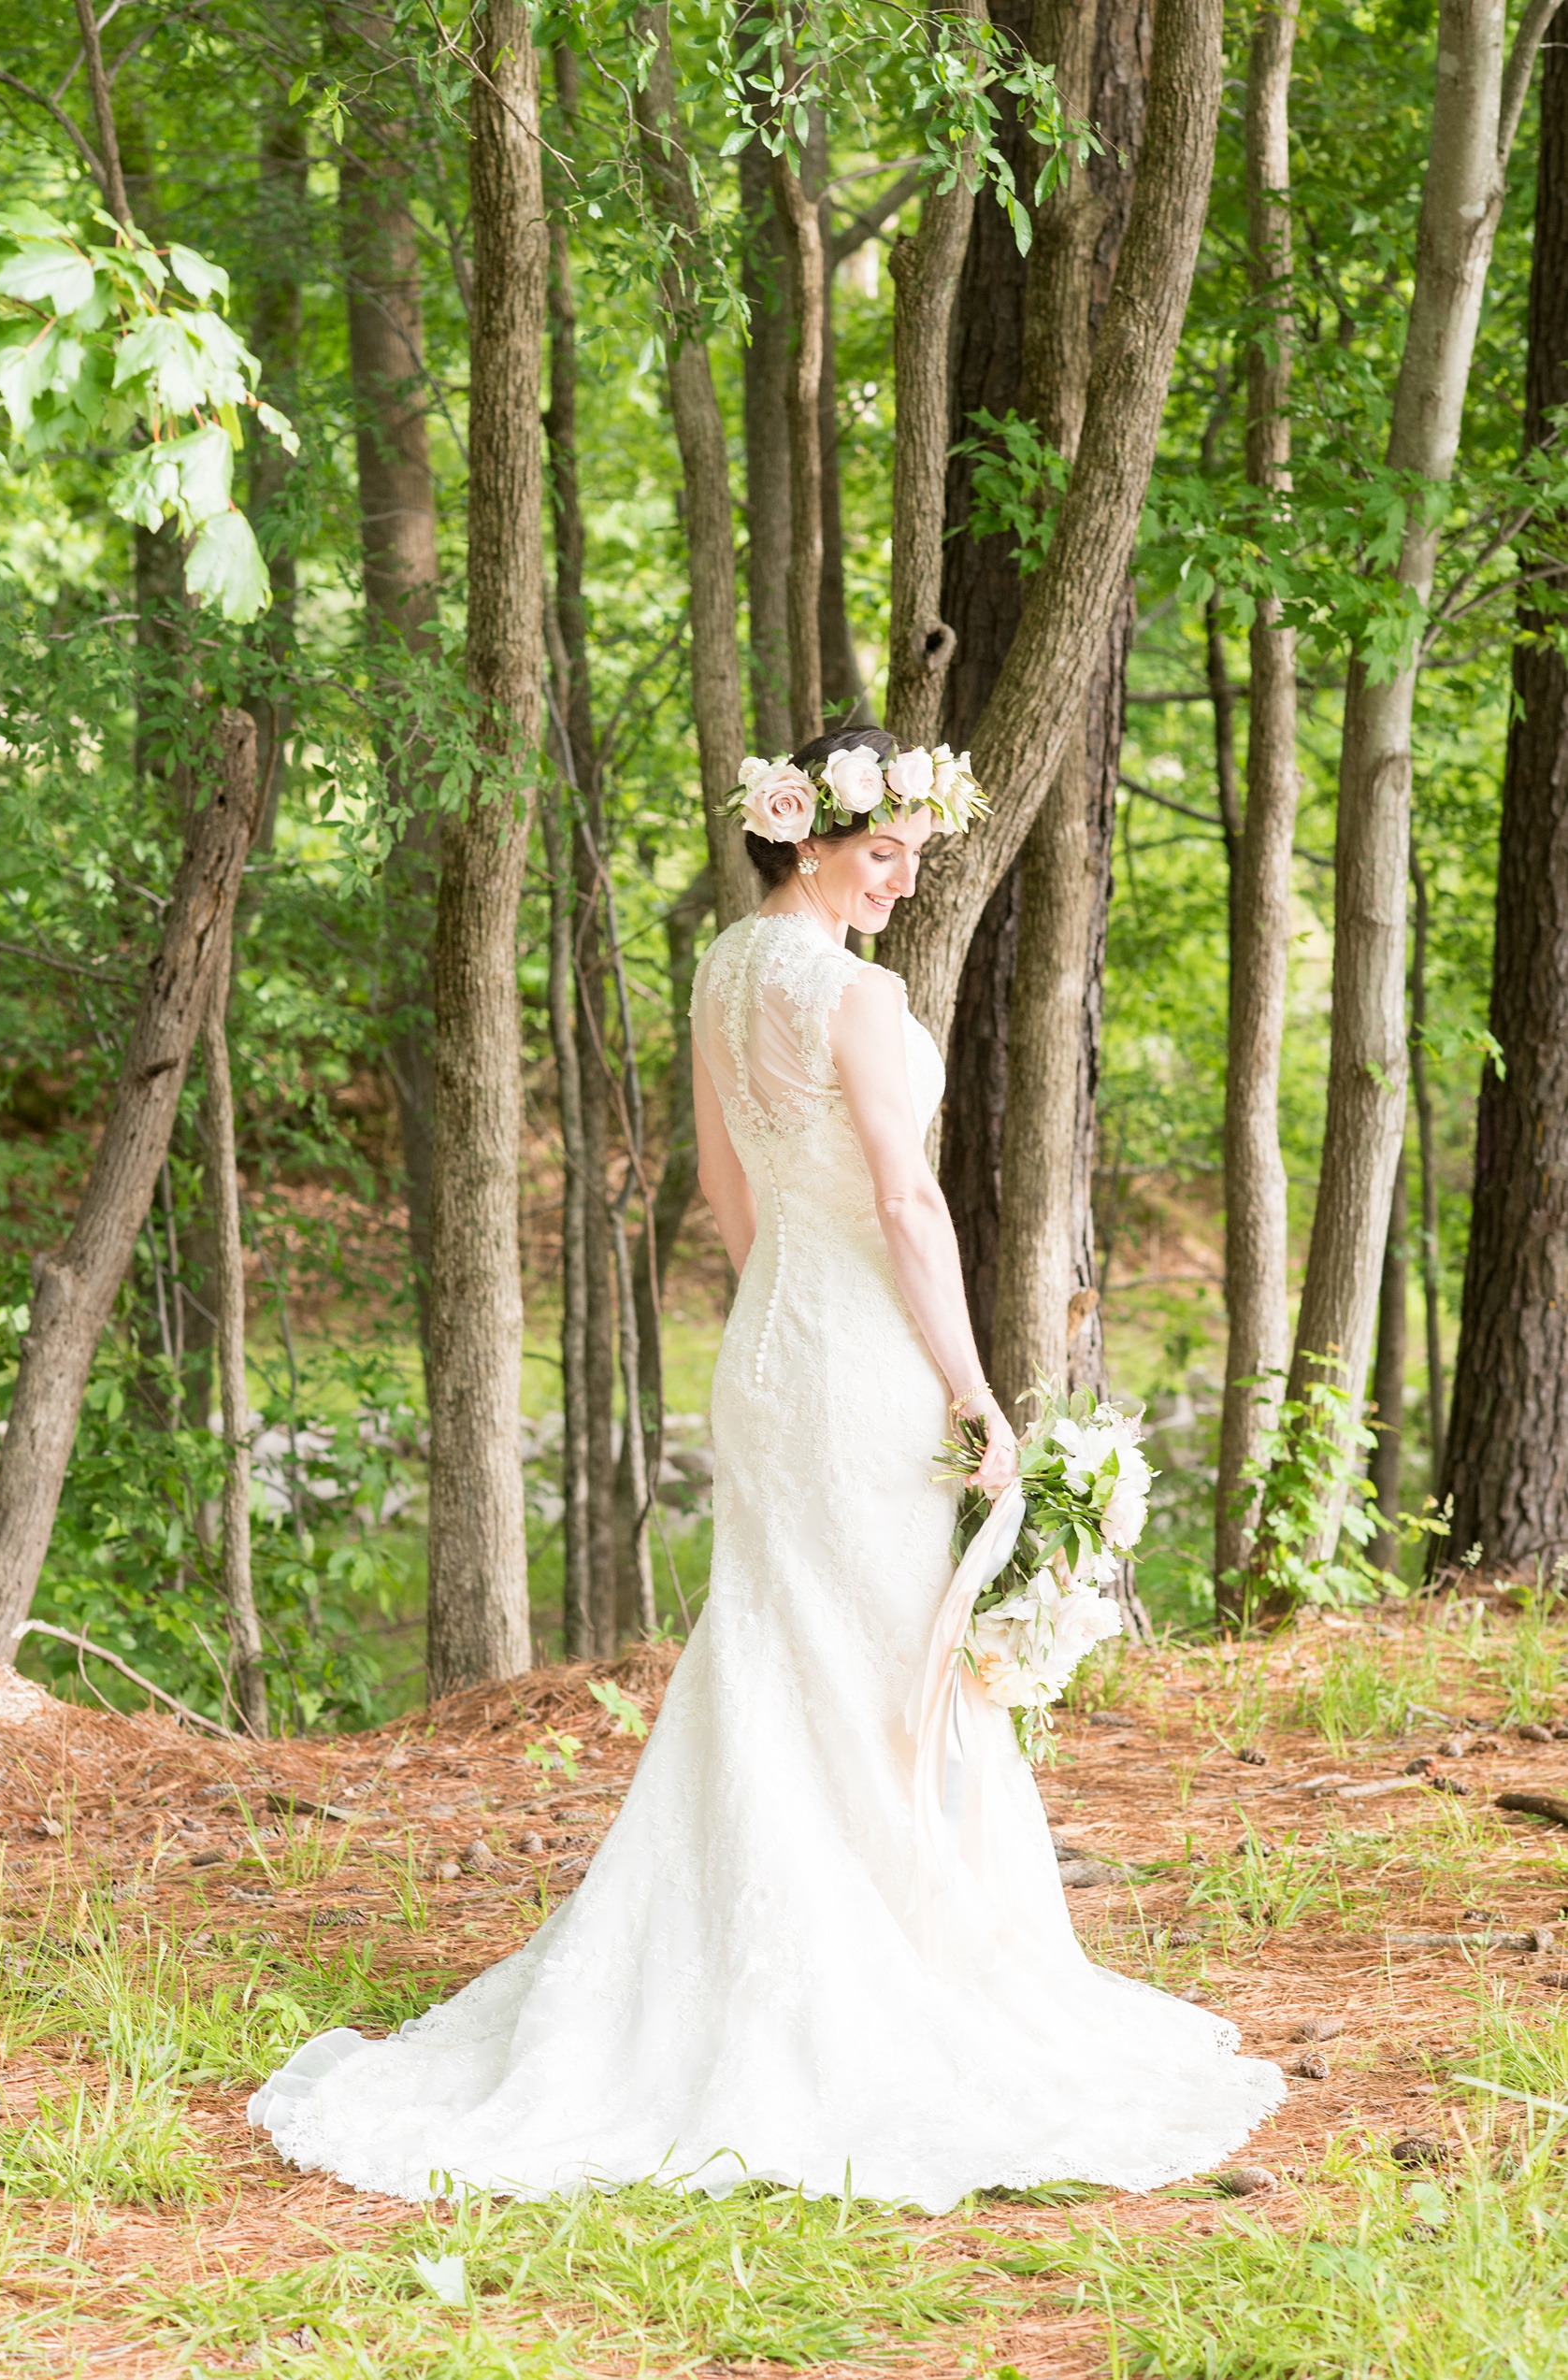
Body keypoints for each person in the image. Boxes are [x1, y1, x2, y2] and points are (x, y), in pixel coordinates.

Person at [249, 727, 1284, 2206]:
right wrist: (978, 1393)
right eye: (883, 853)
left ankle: (790, 1945)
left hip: (772, 1349)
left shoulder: (725, 975)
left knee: (786, 1652)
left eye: (914, 855)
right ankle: (884, 1971)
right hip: (861, 1359)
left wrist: (780, 1316)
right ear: (809, 838)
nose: (902, 879)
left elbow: (731, 1188)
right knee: (880, 1669)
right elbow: (912, 1203)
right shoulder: (854, 996)